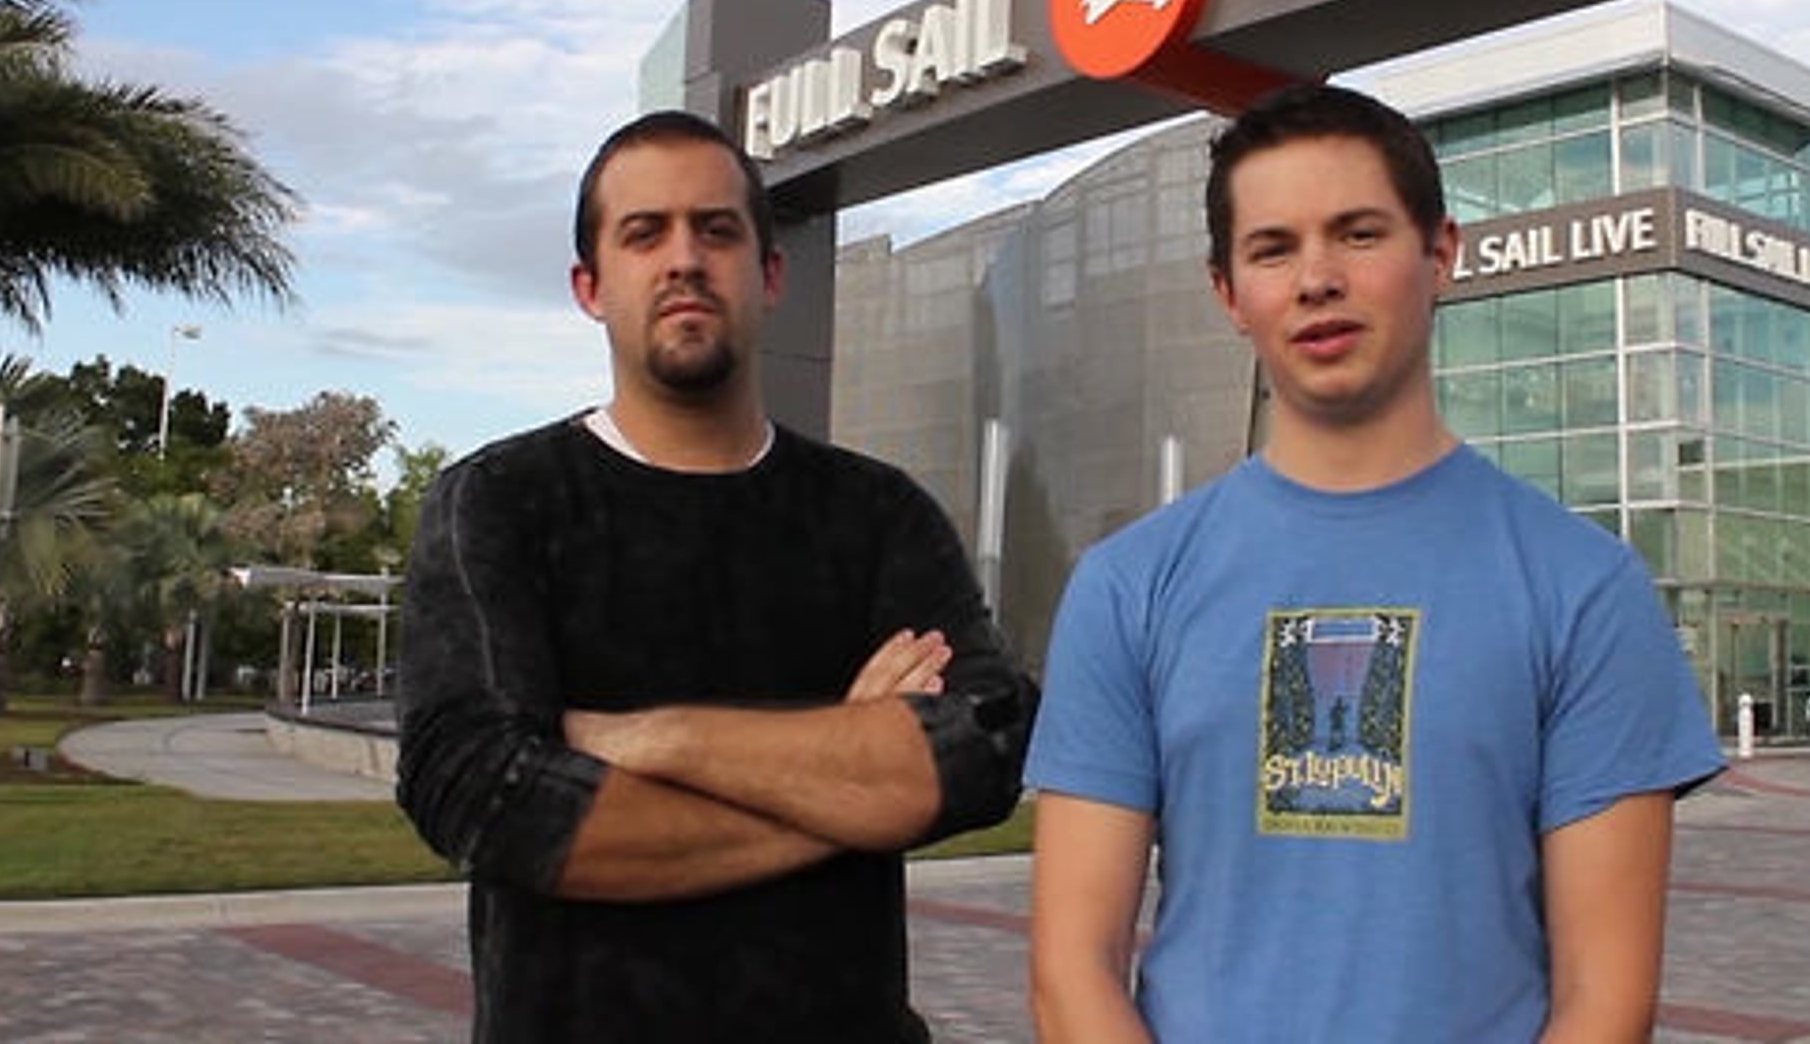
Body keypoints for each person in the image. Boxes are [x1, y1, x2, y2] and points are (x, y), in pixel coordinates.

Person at [1025, 83, 1723, 1043]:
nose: (1317, 279)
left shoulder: (1585, 589)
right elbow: (1071, 972)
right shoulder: (1127, 586)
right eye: (1273, 249)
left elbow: (1605, 1003)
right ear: (1228, 294)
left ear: (1440, 253)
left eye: (1358, 234)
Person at [395, 109, 1034, 1043]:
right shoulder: (500, 502)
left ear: (771, 276)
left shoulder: (876, 515)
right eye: (644, 233)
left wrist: (640, 737)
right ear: (589, 287)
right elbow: (483, 794)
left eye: (717, 230)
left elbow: (985, 743)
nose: (685, 259)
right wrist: (851, 774)